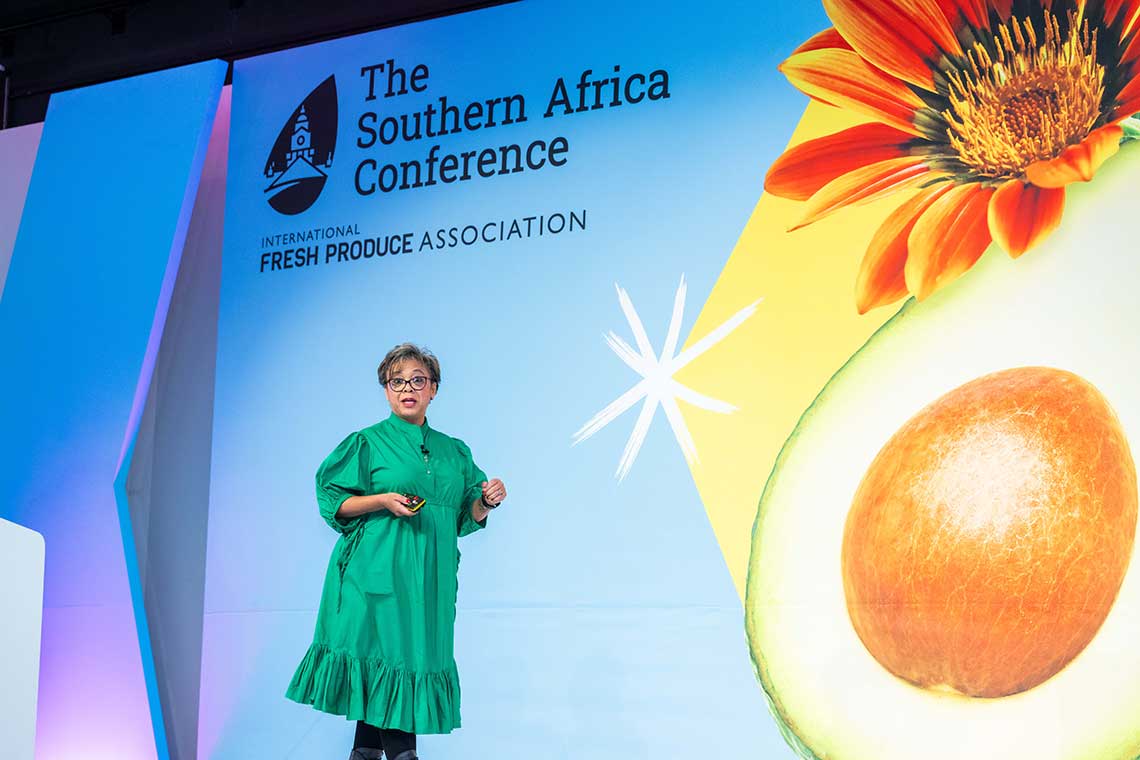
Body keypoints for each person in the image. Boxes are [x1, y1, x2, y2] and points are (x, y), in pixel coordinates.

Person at [286, 343, 507, 760]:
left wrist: (487, 501)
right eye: (397, 381)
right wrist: (382, 500)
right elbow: (333, 502)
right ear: (386, 390)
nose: (408, 388)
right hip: (374, 578)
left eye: (418, 380)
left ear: (433, 390)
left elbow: (465, 516)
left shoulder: (453, 451)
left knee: (388, 679)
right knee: (389, 666)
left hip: (429, 583)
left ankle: (366, 754)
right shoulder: (367, 444)